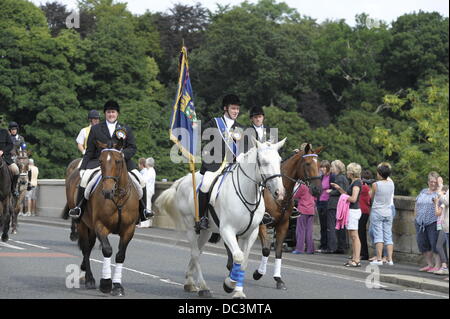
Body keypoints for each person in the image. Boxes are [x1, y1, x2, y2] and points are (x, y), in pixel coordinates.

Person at [68, 100, 153, 222]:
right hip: (100, 162)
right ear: (105, 114)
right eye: (108, 112)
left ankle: (144, 211)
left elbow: (132, 147)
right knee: (85, 179)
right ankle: (79, 208)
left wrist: (123, 155)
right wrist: (83, 167)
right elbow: (90, 150)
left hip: (122, 162)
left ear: (117, 114)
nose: (111, 114)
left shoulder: (125, 129)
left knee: (141, 180)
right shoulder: (96, 129)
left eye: (113, 112)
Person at [197, 94, 244, 232]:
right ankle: (202, 217)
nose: (236, 111)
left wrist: (241, 155)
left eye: (237, 109)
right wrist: (194, 124)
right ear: (225, 108)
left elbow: (243, 148)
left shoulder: (240, 128)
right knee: (205, 184)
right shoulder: (214, 123)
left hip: (233, 166)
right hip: (214, 164)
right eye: (233, 108)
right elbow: (202, 134)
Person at [331, 162, 363, 267]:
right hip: (351, 211)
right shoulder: (353, 182)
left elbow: (353, 198)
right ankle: (354, 258)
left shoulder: (357, 183)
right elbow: (347, 194)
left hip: (353, 211)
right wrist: (339, 189)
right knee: (352, 236)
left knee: (354, 236)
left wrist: (343, 198)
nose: (347, 172)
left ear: (351, 172)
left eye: (349, 170)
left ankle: (357, 259)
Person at [369, 163, 395, 266]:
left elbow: (372, 197)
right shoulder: (391, 184)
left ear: (380, 174)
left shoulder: (376, 184)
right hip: (388, 211)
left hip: (377, 211)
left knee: (378, 235)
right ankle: (390, 259)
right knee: (388, 235)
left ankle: (379, 259)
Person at [415, 171, 442, 272]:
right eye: (431, 181)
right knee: (422, 244)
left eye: (435, 182)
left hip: (433, 222)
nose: (433, 183)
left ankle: (437, 265)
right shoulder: (423, 191)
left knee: (434, 244)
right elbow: (416, 203)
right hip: (420, 222)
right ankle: (430, 264)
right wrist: (416, 217)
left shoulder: (439, 193)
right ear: (428, 182)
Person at [324, 160, 349, 254]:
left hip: (334, 204)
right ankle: (340, 246)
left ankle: (332, 247)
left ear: (337, 168)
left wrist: (331, 192)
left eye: (333, 167)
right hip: (339, 205)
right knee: (340, 227)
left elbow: (340, 191)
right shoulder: (343, 178)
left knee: (332, 226)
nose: (331, 169)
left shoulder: (339, 178)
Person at [292, 183, 317, 254]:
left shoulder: (302, 187)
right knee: (309, 230)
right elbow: (315, 197)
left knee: (300, 230)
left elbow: (295, 195)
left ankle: (299, 248)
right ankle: (310, 249)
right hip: (311, 210)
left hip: (303, 209)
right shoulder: (313, 186)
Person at [315, 160, 334, 252]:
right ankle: (323, 245)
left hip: (328, 202)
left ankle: (328, 246)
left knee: (328, 225)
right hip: (321, 202)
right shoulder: (321, 177)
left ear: (328, 168)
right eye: (321, 167)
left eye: (324, 167)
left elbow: (334, 188)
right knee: (322, 225)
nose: (322, 169)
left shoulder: (332, 177)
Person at [0, 126, 20, 197]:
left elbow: (10, 145)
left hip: (5, 158)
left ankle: (13, 189)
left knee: (16, 170)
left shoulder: (4, 132)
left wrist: (2, 151)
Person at [359, 169, 373, 260]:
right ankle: (362, 253)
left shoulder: (363, 188)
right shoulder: (369, 188)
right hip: (365, 211)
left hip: (362, 211)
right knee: (361, 232)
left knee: (361, 233)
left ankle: (363, 253)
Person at [434, 184, 448, 276]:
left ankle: (444, 267)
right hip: (442, 225)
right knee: (443, 247)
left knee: (439, 246)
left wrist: (436, 202)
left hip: (444, 226)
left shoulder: (444, 201)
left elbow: (437, 213)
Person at [138, 157, 156, 228]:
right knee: (147, 206)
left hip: (148, 190)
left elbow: (144, 180)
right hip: (148, 190)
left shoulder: (150, 171)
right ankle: (146, 223)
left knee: (147, 206)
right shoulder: (150, 170)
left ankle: (145, 223)